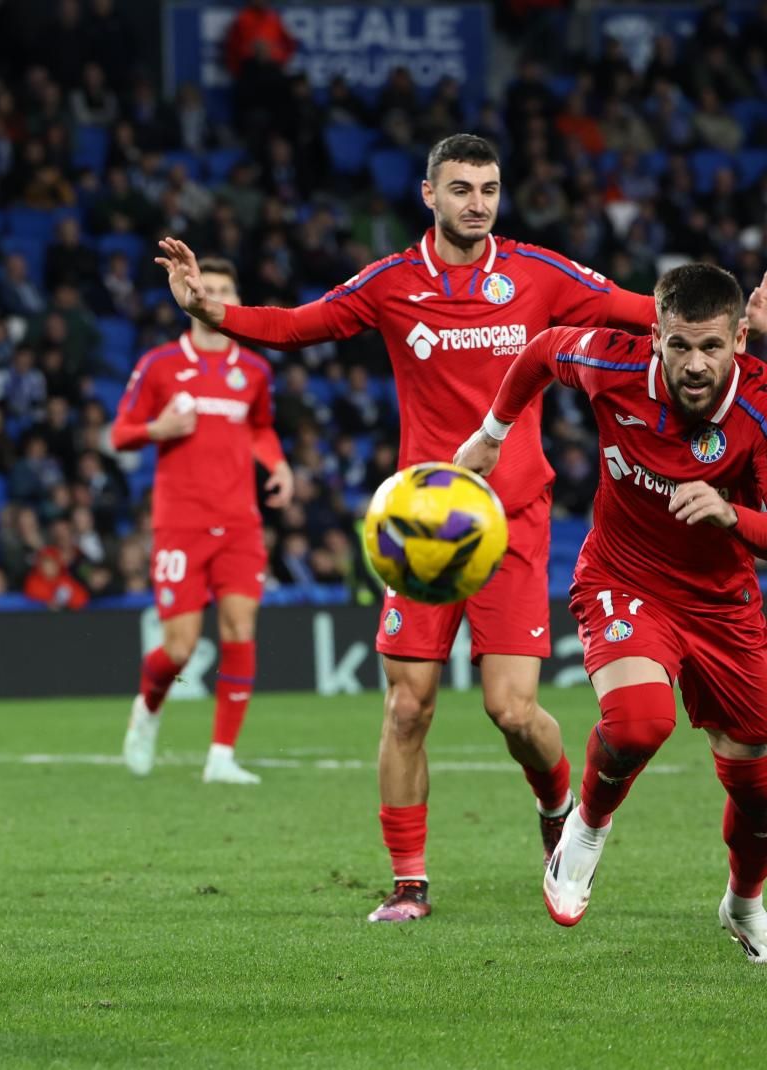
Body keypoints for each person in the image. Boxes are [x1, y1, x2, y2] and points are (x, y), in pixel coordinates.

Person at [152, 133, 746, 922]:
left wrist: (743, 323)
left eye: (490, 189)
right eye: (462, 189)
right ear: (429, 195)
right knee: (407, 707)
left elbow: (651, 317)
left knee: (513, 711)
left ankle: (556, 803)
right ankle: (408, 883)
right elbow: (301, 325)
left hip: (515, 519)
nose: (478, 203)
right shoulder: (392, 281)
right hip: (424, 522)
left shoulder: (539, 272)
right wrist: (209, 308)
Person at [453, 264, 767, 958]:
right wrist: (493, 431)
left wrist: (732, 515)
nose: (694, 364)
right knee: (638, 722)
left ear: (739, 340)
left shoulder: (758, 412)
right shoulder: (609, 363)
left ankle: (744, 902)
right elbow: (538, 352)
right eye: (678, 345)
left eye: (712, 348)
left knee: (760, 789)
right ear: (653, 335)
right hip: (624, 580)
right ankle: (585, 830)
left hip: (723, 607)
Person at [112, 256, 293, 785]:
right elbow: (120, 434)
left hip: (239, 522)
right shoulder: (160, 364)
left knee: (240, 629)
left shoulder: (255, 370)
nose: (211, 293)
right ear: (184, 293)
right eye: (202, 285)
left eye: (222, 288)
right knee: (180, 648)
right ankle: (147, 711)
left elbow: (260, 427)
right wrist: (158, 427)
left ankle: (221, 756)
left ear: (235, 301)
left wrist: (278, 465)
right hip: (180, 524)